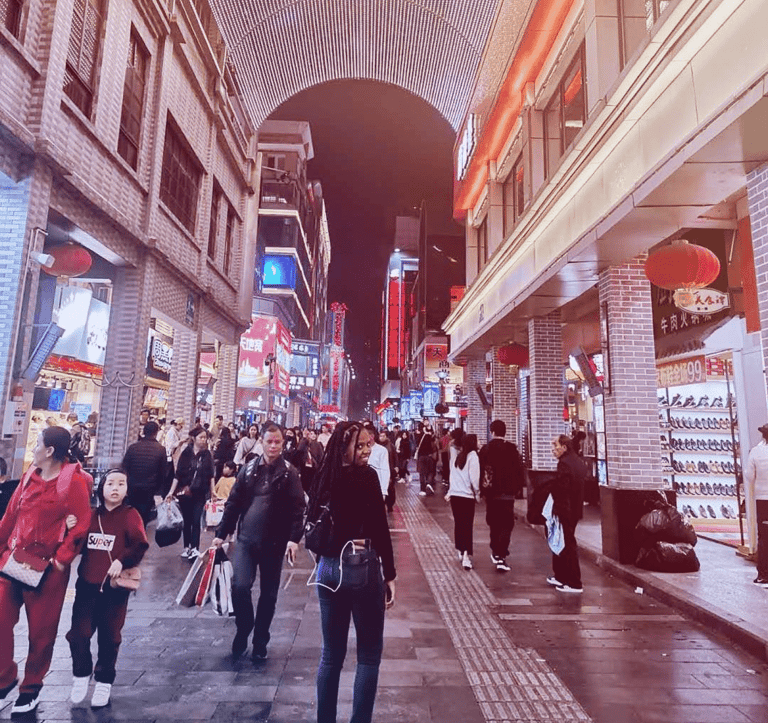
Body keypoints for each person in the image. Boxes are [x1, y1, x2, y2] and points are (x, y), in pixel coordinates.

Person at [0, 427, 93, 714]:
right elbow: (11, 515)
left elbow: (81, 524)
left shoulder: (73, 482)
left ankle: (31, 688)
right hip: (14, 560)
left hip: (48, 568)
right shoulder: (30, 475)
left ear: (50, 450)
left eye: (38, 443)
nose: (34, 448)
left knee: (41, 632)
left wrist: (62, 560)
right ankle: (4, 680)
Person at [307, 421, 396, 723]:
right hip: (361, 569)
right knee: (369, 656)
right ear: (344, 447)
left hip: (327, 570)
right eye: (360, 445)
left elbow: (312, 524)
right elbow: (380, 529)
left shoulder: (323, 476)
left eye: (369, 444)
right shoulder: (366, 478)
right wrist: (390, 574)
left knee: (330, 655)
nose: (367, 451)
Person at [212, 423, 305, 661]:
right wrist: (221, 534)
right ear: (261, 442)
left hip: (274, 543)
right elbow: (233, 504)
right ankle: (244, 627)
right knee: (240, 586)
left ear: (283, 444)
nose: (273, 446)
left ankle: (260, 638)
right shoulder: (248, 469)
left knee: (269, 594)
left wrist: (294, 539)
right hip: (246, 540)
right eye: (269, 441)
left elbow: (297, 509)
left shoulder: (289, 472)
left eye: (277, 442)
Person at [66, 469, 148, 708]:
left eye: (121, 484)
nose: (115, 488)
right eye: (110, 483)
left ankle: (104, 680)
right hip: (86, 587)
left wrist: (122, 560)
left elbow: (140, 544)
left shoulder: (131, 515)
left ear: (127, 490)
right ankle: (81, 673)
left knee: (110, 637)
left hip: (114, 591)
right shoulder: (91, 515)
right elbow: (77, 544)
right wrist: (69, 527)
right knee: (78, 634)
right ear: (101, 488)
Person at [479, 420, 525, 573]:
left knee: (494, 522)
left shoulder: (486, 449)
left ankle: (495, 550)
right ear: (504, 432)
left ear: (492, 432)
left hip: (492, 494)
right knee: (506, 524)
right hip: (508, 495)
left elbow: (481, 471)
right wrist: (517, 489)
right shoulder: (512, 449)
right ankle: (501, 554)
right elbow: (520, 471)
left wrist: (481, 490)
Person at [167, 426, 215, 559]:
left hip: (200, 493)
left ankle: (195, 548)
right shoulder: (186, 453)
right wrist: (171, 492)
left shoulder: (207, 454)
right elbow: (178, 474)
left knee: (196, 520)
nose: (203, 440)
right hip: (185, 492)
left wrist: (213, 491)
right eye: (201, 437)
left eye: (205, 438)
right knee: (187, 521)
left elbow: (211, 475)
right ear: (194, 438)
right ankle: (186, 547)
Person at [548, 435, 588, 593]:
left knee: (568, 545)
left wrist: (558, 510)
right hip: (575, 509)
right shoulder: (578, 462)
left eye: (555, 445)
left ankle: (574, 583)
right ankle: (561, 577)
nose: (553, 449)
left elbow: (563, 490)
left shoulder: (564, 464)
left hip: (566, 510)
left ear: (564, 447)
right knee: (564, 544)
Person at [120, 421, 167, 527]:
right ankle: (140, 537)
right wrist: (159, 492)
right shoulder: (160, 449)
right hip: (149, 489)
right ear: (156, 432)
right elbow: (163, 473)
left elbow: (124, 467)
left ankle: (130, 538)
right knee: (143, 517)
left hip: (132, 487)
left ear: (144, 431)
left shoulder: (133, 447)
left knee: (131, 514)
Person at [446, 433, 479, 570]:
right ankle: (466, 555)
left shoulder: (457, 457)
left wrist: (450, 492)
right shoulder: (473, 456)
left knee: (459, 524)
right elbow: (474, 478)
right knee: (467, 525)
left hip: (455, 496)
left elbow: (452, 476)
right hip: (467, 496)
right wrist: (477, 492)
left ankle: (460, 550)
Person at [745, 423, 768, 585]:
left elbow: (749, 476)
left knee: (764, 537)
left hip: (763, 500)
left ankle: (763, 574)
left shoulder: (756, 452)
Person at [365, 424, 391, 501]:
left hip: (376, 487)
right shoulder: (359, 450)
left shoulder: (382, 450)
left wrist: (383, 491)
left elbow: (385, 470)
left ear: (372, 436)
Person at [297, 428, 324, 494]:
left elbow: (320, 458)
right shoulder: (303, 443)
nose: (312, 435)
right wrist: (304, 438)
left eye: (314, 434)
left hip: (313, 470)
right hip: (304, 470)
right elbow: (299, 452)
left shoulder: (317, 444)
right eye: (310, 434)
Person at [377, 430, 397, 513]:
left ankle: (390, 504)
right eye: (380, 436)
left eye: (383, 436)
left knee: (390, 488)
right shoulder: (376, 446)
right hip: (379, 469)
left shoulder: (390, 445)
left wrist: (396, 467)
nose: (381, 438)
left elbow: (395, 456)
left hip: (390, 469)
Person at [415, 425, 437, 495]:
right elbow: (435, 447)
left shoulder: (419, 437)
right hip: (429, 456)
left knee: (422, 473)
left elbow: (416, 445)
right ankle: (429, 483)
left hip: (421, 457)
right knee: (430, 471)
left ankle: (422, 489)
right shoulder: (431, 437)